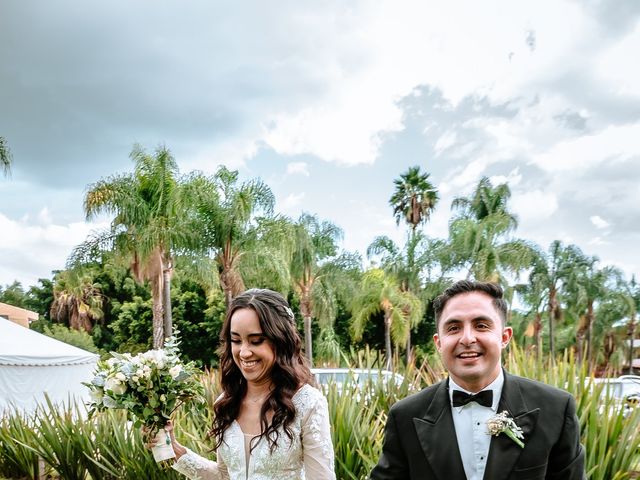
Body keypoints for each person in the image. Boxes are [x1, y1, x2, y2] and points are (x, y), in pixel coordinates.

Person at [370, 280, 585, 480]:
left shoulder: (555, 409)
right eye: (453, 328)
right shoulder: (405, 417)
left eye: (481, 325)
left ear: (504, 337)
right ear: (439, 342)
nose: (467, 338)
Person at [163, 288, 336, 479]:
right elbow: (224, 475)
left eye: (256, 341)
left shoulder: (307, 403)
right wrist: (173, 449)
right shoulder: (227, 402)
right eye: (236, 340)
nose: (244, 352)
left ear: (280, 341)